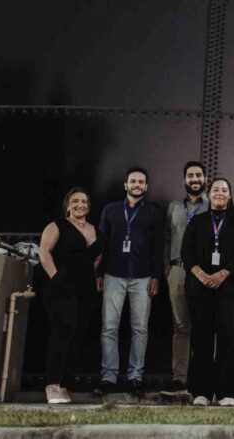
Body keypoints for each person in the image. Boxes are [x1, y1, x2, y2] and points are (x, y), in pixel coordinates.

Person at [95, 168, 164, 396]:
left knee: (140, 328)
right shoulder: (111, 209)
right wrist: (99, 273)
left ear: (146, 187)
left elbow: (158, 247)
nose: (137, 184)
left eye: (141, 182)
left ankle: (135, 377)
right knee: (109, 327)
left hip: (143, 277)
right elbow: (102, 244)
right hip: (113, 275)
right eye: (133, 181)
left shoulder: (153, 212)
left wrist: (156, 276)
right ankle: (108, 377)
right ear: (126, 185)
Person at [181, 177, 234, 406]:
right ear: (208, 195)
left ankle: (226, 392)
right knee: (202, 340)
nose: (220, 193)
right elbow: (186, 252)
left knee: (229, 341)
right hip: (199, 289)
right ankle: (201, 391)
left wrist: (223, 274)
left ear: (230, 195)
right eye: (216, 190)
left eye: (224, 190)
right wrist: (200, 274)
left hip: (229, 289)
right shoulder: (197, 221)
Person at [38, 187, 102, 404]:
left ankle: (64, 385)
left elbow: (96, 258)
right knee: (62, 333)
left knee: (77, 335)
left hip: (86, 290)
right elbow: (44, 251)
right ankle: (52, 385)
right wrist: (56, 279)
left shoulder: (95, 229)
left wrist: (90, 277)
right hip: (61, 286)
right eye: (75, 201)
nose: (80, 205)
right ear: (67, 205)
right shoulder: (57, 225)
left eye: (84, 202)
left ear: (88, 207)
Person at [160, 161, 208, 397]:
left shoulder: (212, 203)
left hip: (204, 272)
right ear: (184, 180)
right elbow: (167, 237)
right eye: (190, 176)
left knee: (205, 325)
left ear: (205, 178)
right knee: (181, 326)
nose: (195, 179)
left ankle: (205, 378)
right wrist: (167, 266)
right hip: (178, 270)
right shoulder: (174, 207)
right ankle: (179, 378)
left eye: (198, 175)